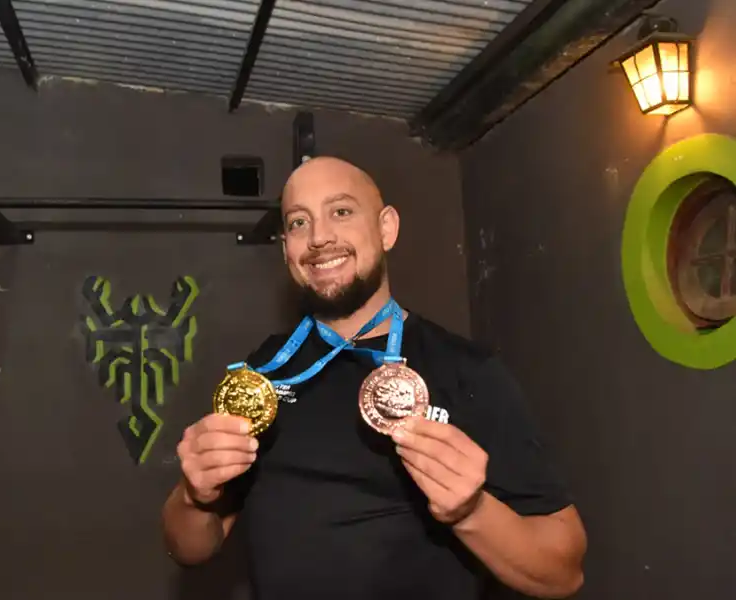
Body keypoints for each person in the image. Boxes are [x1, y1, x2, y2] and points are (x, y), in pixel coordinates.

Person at [161, 156, 587, 599]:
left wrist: (472, 511)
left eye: (341, 211)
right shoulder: (263, 371)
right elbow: (189, 548)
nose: (319, 237)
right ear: (286, 247)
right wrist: (193, 496)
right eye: (298, 222)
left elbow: (564, 572)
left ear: (387, 229)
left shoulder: (466, 370)